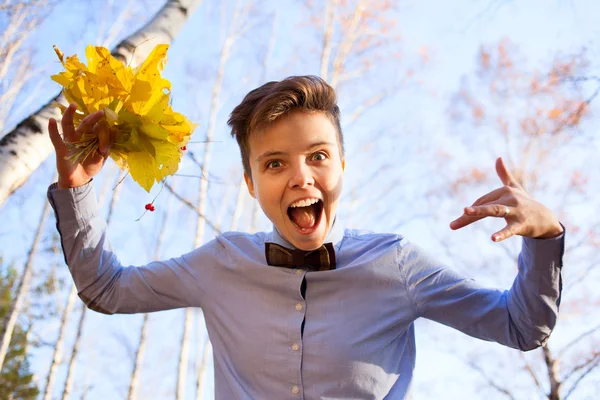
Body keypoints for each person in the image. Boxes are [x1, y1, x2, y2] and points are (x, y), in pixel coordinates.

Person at [47, 76, 565, 399]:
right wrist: (77, 188)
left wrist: (544, 239)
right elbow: (106, 290)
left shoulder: (397, 263)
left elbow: (521, 326)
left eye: (317, 156)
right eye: (275, 164)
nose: (301, 177)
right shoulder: (218, 264)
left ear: (342, 166)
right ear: (251, 185)